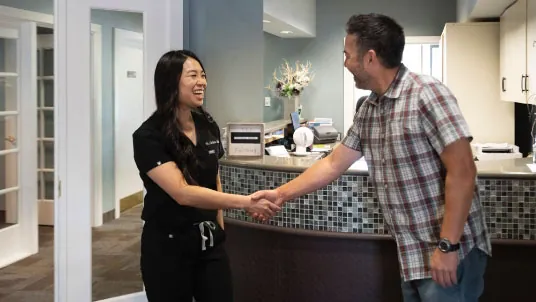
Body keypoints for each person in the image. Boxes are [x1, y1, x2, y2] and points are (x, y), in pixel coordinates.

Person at [252, 13, 491, 302]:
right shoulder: (369, 109)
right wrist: (280, 194)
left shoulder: (427, 94)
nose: (345, 63)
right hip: (413, 254)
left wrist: (447, 246)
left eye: (347, 55)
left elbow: (463, 172)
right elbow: (332, 163)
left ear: (370, 58)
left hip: (450, 251)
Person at [132, 50, 280, 302]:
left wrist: (219, 228)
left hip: (209, 244)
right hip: (168, 249)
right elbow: (182, 193)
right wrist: (244, 202)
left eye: (203, 75)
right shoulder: (148, 136)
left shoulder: (206, 124)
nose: (202, 82)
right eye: (193, 75)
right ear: (171, 82)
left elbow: (214, 177)